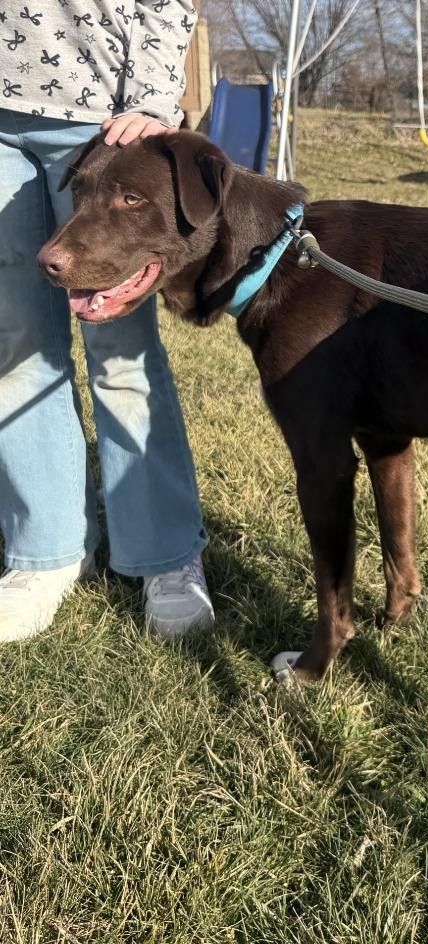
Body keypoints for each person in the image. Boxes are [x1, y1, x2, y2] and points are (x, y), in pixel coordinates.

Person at [0, 1, 214, 641]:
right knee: (14, 344)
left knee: (120, 346)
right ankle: (45, 551)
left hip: (102, 115)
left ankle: (166, 553)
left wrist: (153, 96)